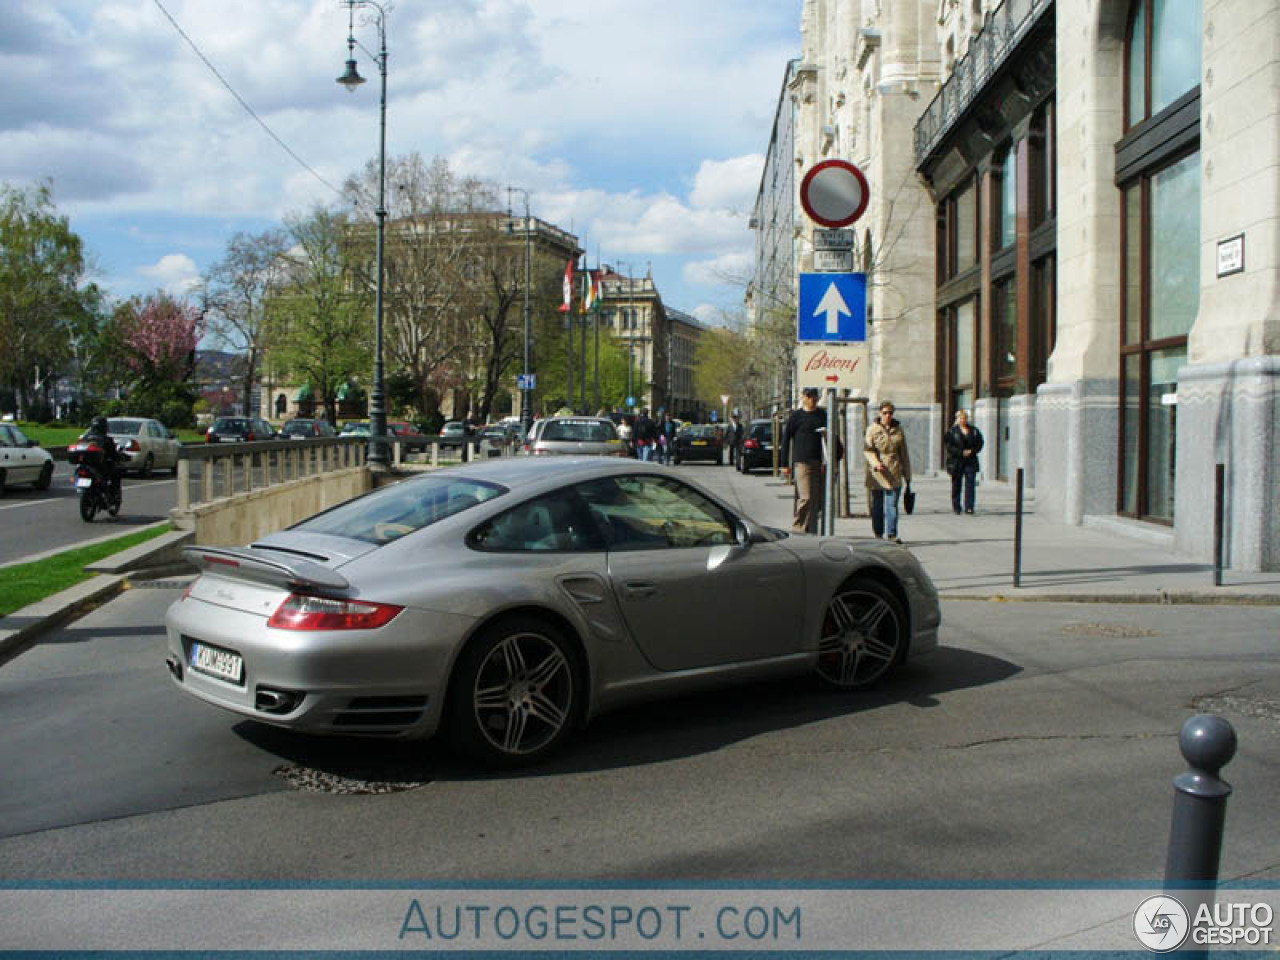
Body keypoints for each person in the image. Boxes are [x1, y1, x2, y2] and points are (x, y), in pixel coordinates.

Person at [781, 388, 837, 534]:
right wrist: (784, 464)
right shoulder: (796, 416)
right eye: (809, 396)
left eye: (815, 396)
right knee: (806, 497)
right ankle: (797, 527)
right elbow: (786, 439)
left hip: (818, 461)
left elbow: (832, 437)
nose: (813, 399)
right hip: (802, 462)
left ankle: (811, 529)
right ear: (803, 398)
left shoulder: (822, 415)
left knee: (816, 499)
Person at [864, 400, 912, 544]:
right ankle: (878, 534)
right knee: (877, 506)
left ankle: (892, 534)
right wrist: (876, 463)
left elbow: (904, 453)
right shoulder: (872, 429)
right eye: (885, 413)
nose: (888, 416)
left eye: (890, 413)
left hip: (894, 471)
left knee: (892, 505)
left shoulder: (898, 430)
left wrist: (908, 475)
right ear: (880, 413)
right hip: (877, 473)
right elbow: (868, 450)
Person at [944, 408, 984, 514]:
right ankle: (956, 506)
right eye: (961, 418)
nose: (963, 420)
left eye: (965, 418)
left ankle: (969, 506)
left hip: (970, 461)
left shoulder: (974, 431)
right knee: (956, 484)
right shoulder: (952, 432)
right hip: (957, 461)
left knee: (970, 483)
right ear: (958, 419)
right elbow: (949, 446)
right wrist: (961, 452)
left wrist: (973, 451)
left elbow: (980, 443)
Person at [81, 415, 124, 502]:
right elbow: (113, 454)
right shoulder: (107, 439)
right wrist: (119, 457)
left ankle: (105, 493)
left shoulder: (85, 438)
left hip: (86, 465)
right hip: (100, 467)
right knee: (116, 473)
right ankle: (113, 495)